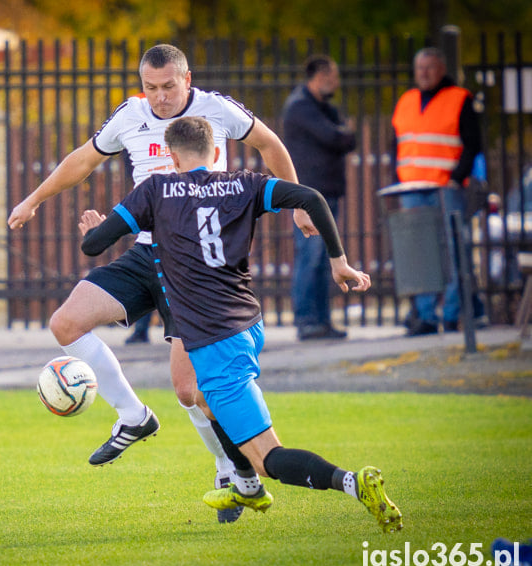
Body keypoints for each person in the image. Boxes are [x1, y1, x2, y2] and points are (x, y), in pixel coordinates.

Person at [8, 44, 316, 524]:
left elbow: (270, 145)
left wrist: (296, 203)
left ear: (186, 79)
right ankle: (133, 416)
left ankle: (229, 471)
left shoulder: (216, 110)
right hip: (145, 251)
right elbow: (82, 160)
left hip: (193, 265)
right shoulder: (131, 115)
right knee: (66, 323)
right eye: (150, 88)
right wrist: (33, 199)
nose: (159, 97)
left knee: (190, 391)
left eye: (168, 87)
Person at [80, 116, 402, 532]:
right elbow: (312, 199)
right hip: (247, 322)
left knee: (268, 457)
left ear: (171, 158)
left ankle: (354, 484)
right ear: (215, 153)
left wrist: (92, 229)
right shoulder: (245, 184)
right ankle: (244, 486)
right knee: (205, 400)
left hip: (215, 340)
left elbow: (93, 246)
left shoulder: (156, 190)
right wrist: (338, 261)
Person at [392, 47, 487, 336]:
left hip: (445, 188)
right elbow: (396, 145)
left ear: (442, 69)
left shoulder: (459, 99)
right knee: (419, 255)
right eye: (420, 67)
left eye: (430, 67)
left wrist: (457, 178)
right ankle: (425, 318)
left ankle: (453, 314)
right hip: (412, 188)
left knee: (454, 252)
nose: (424, 73)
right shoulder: (406, 101)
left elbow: (473, 144)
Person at [282, 55, 357, 340]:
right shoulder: (301, 107)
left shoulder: (322, 107)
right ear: (319, 76)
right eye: (332, 77)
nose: (336, 82)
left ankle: (322, 321)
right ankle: (306, 320)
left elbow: (348, 138)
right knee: (311, 257)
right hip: (310, 196)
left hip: (325, 194)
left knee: (327, 259)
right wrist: (343, 133)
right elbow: (338, 138)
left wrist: (344, 134)